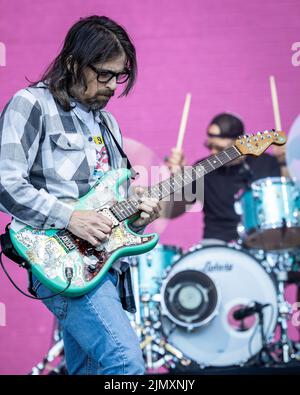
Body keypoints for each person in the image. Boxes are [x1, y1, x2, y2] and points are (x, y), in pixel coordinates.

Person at [0, 15, 161, 375]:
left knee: (89, 371)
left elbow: (110, 205)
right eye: (104, 74)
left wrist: (137, 215)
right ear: (74, 63)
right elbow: (4, 183)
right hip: (58, 258)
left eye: (118, 76)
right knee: (125, 364)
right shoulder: (31, 104)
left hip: (102, 265)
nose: (111, 86)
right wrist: (70, 217)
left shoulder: (109, 124)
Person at [165, 113, 281, 242]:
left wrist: (284, 163)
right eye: (210, 146)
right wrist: (178, 179)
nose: (213, 152)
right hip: (216, 243)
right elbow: (172, 212)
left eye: (219, 148)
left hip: (261, 239)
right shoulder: (203, 167)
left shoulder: (266, 163)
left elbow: (288, 198)